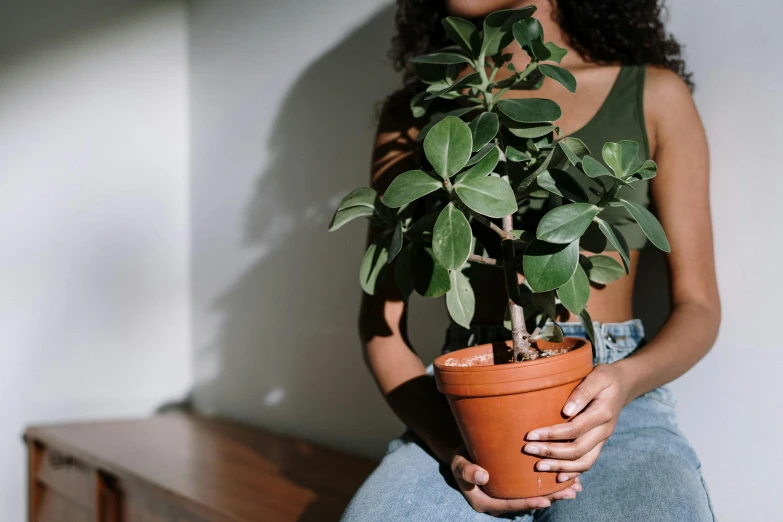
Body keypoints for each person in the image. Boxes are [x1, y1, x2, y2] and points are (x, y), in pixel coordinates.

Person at [343, 0, 720, 520]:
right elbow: (379, 323)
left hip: (611, 398)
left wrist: (624, 382)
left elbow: (699, 307)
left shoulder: (655, 93)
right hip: (464, 405)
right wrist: (451, 448)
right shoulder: (419, 111)